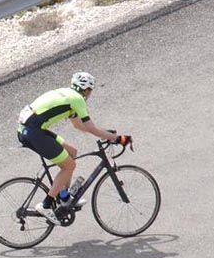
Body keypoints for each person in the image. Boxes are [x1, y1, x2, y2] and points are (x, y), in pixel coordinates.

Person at [16, 72, 132, 223]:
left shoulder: (68, 95)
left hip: (29, 130)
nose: (90, 94)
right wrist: (118, 139)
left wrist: (106, 133)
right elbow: (90, 128)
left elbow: (79, 126)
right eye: (91, 90)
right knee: (69, 166)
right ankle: (46, 205)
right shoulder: (77, 99)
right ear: (86, 90)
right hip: (34, 133)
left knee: (72, 152)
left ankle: (64, 197)